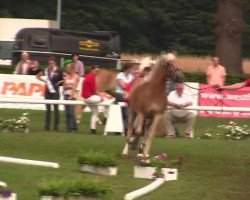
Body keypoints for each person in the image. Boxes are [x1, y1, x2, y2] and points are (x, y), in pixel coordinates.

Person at [36, 58, 63, 131]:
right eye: (50, 63)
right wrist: (44, 80)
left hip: (55, 92)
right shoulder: (46, 70)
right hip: (47, 92)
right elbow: (37, 76)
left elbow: (64, 78)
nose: (51, 65)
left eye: (52, 63)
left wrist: (59, 82)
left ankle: (56, 127)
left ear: (55, 64)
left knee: (56, 109)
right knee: (48, 109)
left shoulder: (58, 70)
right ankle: (47, 126)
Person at [81, 65, 103, 134]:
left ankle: (93, 129)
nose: (97, 73)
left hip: (86, 97)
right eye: (96, 71)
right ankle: (106, 114)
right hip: (89, 97)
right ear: (92, 70)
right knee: (104, 100)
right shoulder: (91, 77)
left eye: (98, 71)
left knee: (96, 112)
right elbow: (95, 90)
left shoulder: (88, 76)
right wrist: (101, 97)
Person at [115, 62, 134, 133]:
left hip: (129, 95)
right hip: (120, 95)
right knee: (123, 112)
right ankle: (122, 128)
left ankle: (127, 128)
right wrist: (130, 86)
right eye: (131, 69)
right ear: (127, 69)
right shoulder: (119, 75)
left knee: (128, 111)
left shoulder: (131, 76)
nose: (132, 70)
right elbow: (123, 86)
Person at [63, 62, 80, 133]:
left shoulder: (76, 76)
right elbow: (64, 87)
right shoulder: (66, 76)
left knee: (71, 112)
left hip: (72, 96)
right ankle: (68, 127)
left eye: (68, 68)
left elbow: (74, 87)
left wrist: (71, 95)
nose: (67, 69)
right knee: (67, 112)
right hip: (66, 94)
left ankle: (73, 127)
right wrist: (69, 86)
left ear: (71, 68)